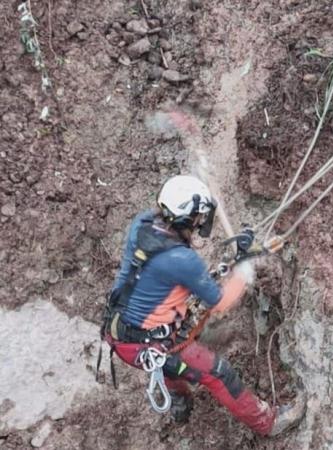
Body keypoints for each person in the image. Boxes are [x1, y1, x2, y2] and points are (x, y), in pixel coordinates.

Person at [101, 174, 305, 435]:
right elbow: (220, 302)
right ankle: (268, 423)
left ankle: (178, 400)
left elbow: (161, 276)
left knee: (174, 351)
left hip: (120, 333)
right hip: (149, 345)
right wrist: (244, 266)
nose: (201, 220)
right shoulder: (182, 260)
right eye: (199, 215)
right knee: (219, 373)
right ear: (188, 216)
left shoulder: (142, 224)